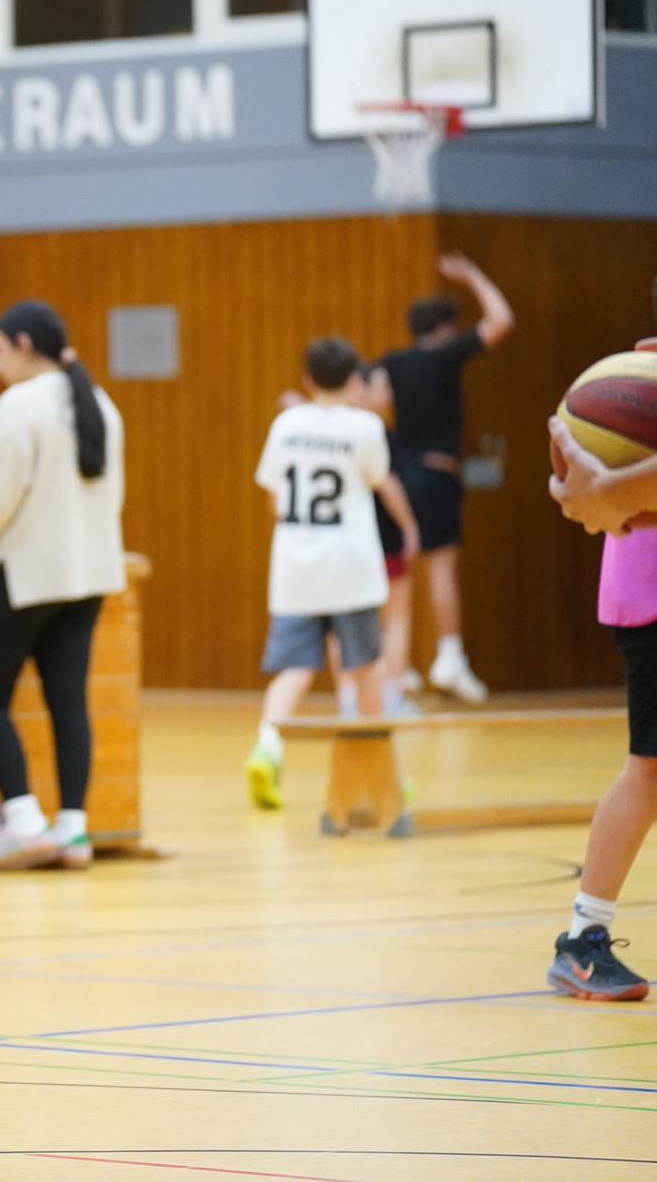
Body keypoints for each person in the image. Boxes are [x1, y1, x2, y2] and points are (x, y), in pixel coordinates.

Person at [0, 299, 126, 871]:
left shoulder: (21, 404)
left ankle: (23, 822)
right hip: (89, 576)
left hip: (26, 576)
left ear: (23, 344)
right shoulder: (101, 403)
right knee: (68, 700)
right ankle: (73, 831)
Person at [246, 337, 420, 811]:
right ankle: (382, 773)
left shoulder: (286, 424)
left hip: (294, 568)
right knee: (364, 668)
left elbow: (274, 500)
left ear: (307, 379)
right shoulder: (366, 427)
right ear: (354, 380)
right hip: (350, 569)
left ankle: (266, 747)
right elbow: (378, 480)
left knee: (295, 668)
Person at [540, 325, 657, 1001]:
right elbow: (588, 481)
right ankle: (584, 938)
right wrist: (597, 482)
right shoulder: (631, 388)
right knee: (649, 768)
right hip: (651, 594)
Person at [375, 252, 515, 703]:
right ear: (443, 328)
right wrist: (474, 276)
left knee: (398, 574)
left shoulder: (393, 362)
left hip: (398, 477)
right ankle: (450, 657)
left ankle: (397, 664)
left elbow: (362, 392)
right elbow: (501, 320)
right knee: (441, 568)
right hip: (436, 476)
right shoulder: (446, 354)